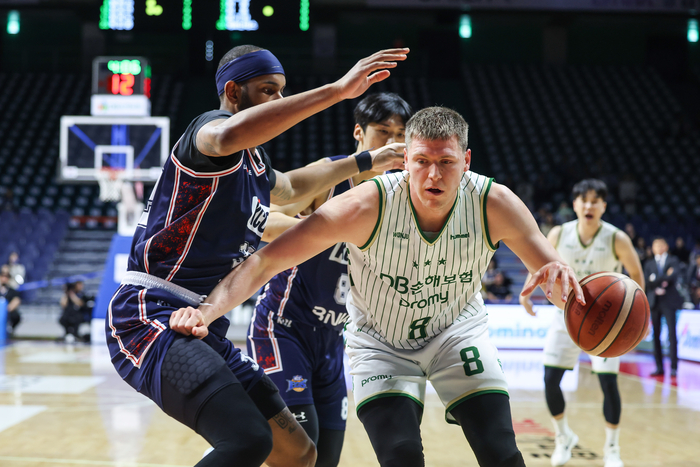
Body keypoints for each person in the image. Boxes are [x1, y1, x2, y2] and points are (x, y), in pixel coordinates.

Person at [169, 107, 585, 467]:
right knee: (401, 455)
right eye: (422, 161)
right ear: (405, 160)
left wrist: (567, 292)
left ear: (466, 160)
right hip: (381, 343)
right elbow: (268, 259)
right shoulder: (367, 204)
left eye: (447, 161)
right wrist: (206, 311)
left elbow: (558, 280)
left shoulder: (496, 203)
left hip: (457, 334)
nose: (434, 174)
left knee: (501, 452)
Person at [105, 44, 409, 467]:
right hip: (151, 312)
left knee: (298, 453)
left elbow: (291, 188)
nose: (279, 100)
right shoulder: (207, 132)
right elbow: (225, 136)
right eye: (269, 90)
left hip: (203, 319)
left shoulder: (254, 163)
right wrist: (338, 91)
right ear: (233, 92)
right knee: (247, 440)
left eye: (282, 91)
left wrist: (364, 161)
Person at [248, 92, 413, 467]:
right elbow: (262, 219)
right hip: (283, 328)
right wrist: (324, 230)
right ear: (359, 132)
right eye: (383, 131)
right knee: (299, 452)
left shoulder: (400, 196)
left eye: (401, 135)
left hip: (333, 338)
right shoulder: (331, 175)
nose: (392, 143)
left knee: (327, 458)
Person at [520, 179, 644, 467]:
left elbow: (636, 274)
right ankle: (563, 436)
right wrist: (526, 292)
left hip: (607, 321)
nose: (589, 206)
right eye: (583, 200)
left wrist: (638, 318)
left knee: (608, 383)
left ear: (604, 206)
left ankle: (612, 449)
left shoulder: (616, 238)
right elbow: (539, 264)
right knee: (550, 380)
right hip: (566, 316)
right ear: (574, 205)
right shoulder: (559, 233)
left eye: (595, 201)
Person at [644, 237, 683, 378]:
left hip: (669, 301)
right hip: (655, 302)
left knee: (672, 334)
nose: (659, 247)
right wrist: (664, 278)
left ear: (666, 246)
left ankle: (674, 367)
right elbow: (647, 282)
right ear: (652, 248)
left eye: (661, 245)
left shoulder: (673, 260)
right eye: (656, 245)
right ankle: (659, 367)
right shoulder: (649, 263)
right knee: (656, 335)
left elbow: (673, 277)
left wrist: (655, 280)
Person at [0, 267, 21, 336]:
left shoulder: (12, 291)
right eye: (3, 276)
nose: (4, 278)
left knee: (15, 315)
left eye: (7, 276)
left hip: (7, 311)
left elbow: (16, 300)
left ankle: (10, 329)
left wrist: (7, 309)